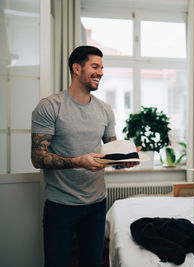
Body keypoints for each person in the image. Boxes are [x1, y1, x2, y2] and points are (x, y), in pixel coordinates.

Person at [31, 45, 139, 267]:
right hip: (60, 205)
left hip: (96, 205)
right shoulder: (50, 106)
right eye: (95, 66)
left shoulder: (105, 110)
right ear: (77, 68)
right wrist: (77, 162)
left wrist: (125, 159)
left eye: (101, 67)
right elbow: (38, 157)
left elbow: (111, 150)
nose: (100, 72)